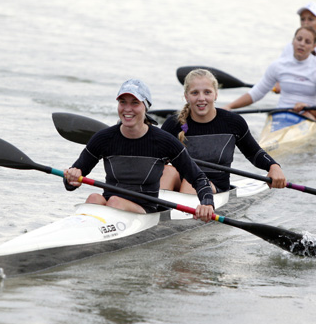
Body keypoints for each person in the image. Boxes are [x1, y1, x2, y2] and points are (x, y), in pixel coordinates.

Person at [63, 79, 215, 222]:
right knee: (94, 198)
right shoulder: (103, 138)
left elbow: (198, 178)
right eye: (123, 102)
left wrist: (207, 203)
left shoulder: (164, 141)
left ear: (145, 107)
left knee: (115, 202)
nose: (127, 109)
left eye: (135, 103)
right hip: (110, 204)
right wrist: (71, 178)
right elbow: (72, 179)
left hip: (145, 211)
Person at [161, 69, 286, 194]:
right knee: (167, 171)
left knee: (191, 183)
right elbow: (154, 157)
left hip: (215, 186)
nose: (201, 98)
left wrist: (273, 166)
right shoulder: (173, 124)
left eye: (207, 92)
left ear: (215, 94)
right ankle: (155, 208)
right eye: (194, 93)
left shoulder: (232, 123)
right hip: (183, 182)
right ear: (186, 96)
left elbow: (254, 152)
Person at [224, 26, 316, 121]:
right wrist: (230, 106)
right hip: (280, 114)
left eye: (307, 42)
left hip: (308, 116)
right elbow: (257, 92)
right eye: (299, 39)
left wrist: (307, 107)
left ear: (314, 46)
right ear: (292, 41)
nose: (302, 44)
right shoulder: (278, 66)